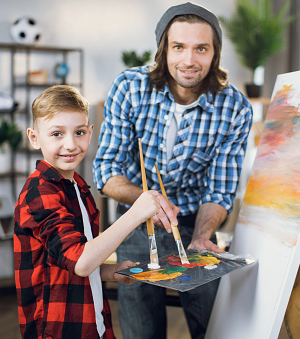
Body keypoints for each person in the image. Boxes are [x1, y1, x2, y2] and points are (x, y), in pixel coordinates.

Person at [93, 3, 253, 338]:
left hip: (197, 220)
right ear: (164, 49)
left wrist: (202, 236)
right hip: (136, 222)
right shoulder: (130, 87)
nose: (189, 60)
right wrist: (147, 200)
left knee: (211, 326)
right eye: (179, 47)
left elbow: (219, 191)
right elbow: (106, 171)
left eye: (201, 48)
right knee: (141, 329)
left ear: (215, 53)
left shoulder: (235, 107)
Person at [14, 85, 177, 339]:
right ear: (34, 138)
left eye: (79, 132)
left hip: (92, 323)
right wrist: (135, 213)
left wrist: (109, 272)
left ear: (90, 134)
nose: (70, 144)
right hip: (58, 330)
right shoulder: (39, 192)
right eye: (57, 134)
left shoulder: (77, 186)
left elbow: (69, 261)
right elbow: (81, 262)